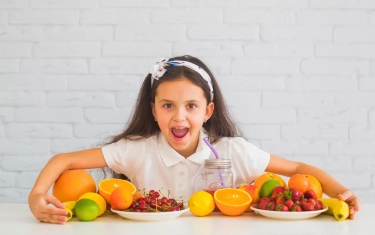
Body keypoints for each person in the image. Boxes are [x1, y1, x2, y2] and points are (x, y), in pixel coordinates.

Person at [28, 55, 361, 224]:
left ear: (208, 111)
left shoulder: (233, 152)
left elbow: (300, 168)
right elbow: (64, 161)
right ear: (153, 110)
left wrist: (339, 193)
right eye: (168, 105)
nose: (179, 116)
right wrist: (36, 197)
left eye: (191, 106)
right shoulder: (137, 151)